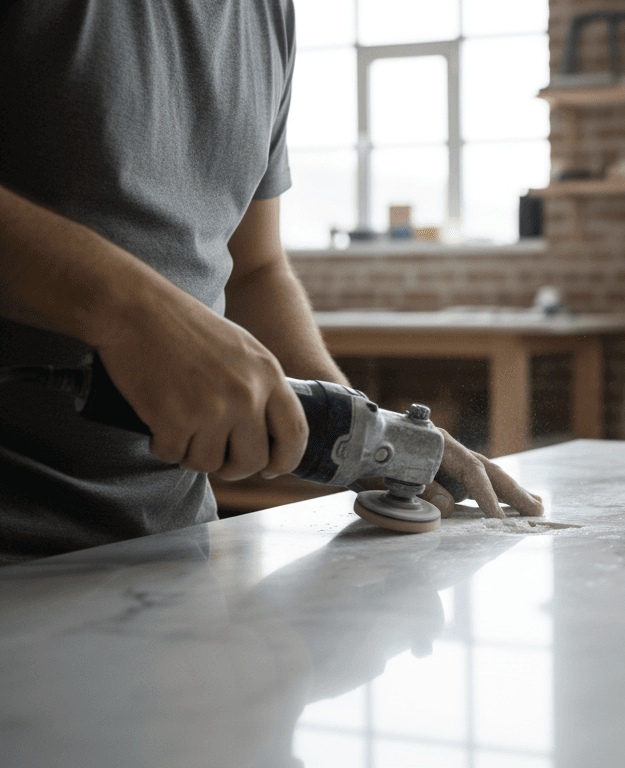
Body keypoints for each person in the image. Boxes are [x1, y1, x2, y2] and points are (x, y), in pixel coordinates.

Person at [0, 1, 541, 565]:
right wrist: (130, 310)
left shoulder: (266, 14)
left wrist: (363, 434)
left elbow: (256, 270)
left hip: (167, 538)